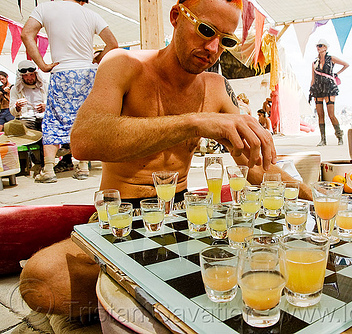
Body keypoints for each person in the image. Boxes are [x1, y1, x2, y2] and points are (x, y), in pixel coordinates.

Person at [20, 0, 312, 320]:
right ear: (176, 17)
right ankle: (170, 291)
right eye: (205, 30)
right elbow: (84, 142)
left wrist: (311, 192)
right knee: (40, 282)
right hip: (122, 216)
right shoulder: (123, 63)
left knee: (266, 254)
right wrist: (196, 122)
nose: (213, 47)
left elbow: (255, 168)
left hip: (185, 217)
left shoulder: (215, 87)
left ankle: (148, 292)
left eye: (226, 40)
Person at [21, 0, 118, 183]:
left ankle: (49, 169)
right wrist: (97, 59)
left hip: (62, 71)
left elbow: (26, 34)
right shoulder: (90, 14)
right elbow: (113, 44)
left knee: (53, 119)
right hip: (87, 73)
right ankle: (82, 167)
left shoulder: (45, 8)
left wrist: (42, 65)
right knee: (83, 118)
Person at [309, 39, 349, 146]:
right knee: (320, 115)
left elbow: (346, 64)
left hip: (329, 87)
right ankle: (323, 139)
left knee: (331, 114)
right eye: (317, 46)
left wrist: (335, 74)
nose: (318, 48)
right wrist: (310, 90)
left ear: (325, 47)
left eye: (320, 45)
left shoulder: (331, 58)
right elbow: (313, 78)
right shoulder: (314, 62)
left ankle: (339, 136)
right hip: (318, 88)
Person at [9, 60, 47, 132]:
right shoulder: (16, 89)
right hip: (26, 119)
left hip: (44, 118)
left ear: (36, 74)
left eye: (31, 74)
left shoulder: (45, 86)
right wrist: (17, 107)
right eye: (26, 75)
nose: (29, 78)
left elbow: (55, 104)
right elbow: (12, 111)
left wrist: (46, 106)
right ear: (21, 76)